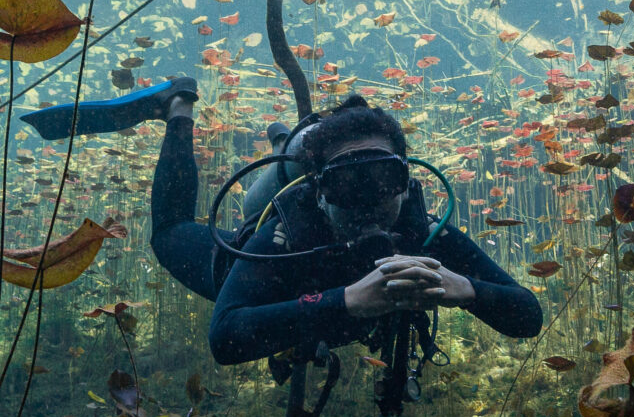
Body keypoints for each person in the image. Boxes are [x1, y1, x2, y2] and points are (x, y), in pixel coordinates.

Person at [208, 94, 542, 371]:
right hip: (230, 272)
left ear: (405, 186)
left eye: (383, 179)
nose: (367, 200)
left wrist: (466, 289)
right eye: (346, 183)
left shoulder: (423, 234)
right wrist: (349, 300)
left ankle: (285, 142)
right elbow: (225, 338)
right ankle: (181, 107)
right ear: (319, 194)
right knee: (168, 232)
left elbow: (528, 316)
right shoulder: (288, 235)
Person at [23, 75, 290, 300]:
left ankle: (285, 159)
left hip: (274, 259)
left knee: (250, 218)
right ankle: (179, 109)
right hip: (268, 269)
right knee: (169, 231)